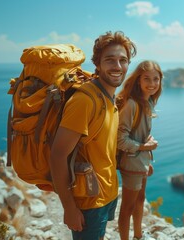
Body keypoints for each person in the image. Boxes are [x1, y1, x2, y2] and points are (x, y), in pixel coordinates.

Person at [49, 31, 137, 240]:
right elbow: (57, 155)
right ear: (97, 64)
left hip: (106, 192)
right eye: (109, 60)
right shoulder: (85, 101)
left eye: (122, 60)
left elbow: (102, 147)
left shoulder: (108, 97)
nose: (117, 66)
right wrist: (69, 208)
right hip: (88, 202)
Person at [116, 60, 163, 240]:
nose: (152, 84)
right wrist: (145, 147)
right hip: (131, 161)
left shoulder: (147, 101)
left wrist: (147, 158)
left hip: (141, 160)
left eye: (156, 79)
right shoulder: (132, 105)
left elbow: (141, 135)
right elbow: (120, 140)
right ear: (138, 80)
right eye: (147, 79)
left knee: (141, 199)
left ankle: (138, 235)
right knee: (127, 207)